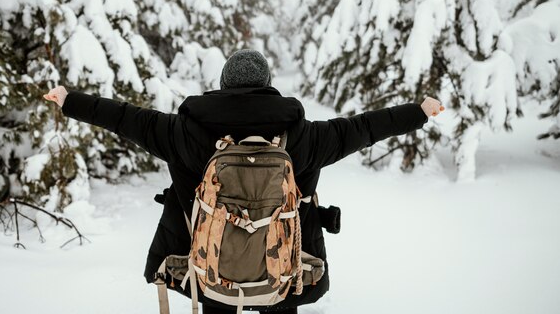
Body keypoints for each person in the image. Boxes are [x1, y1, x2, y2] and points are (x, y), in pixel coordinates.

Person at [44, 49, 445, 313]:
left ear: (224, 85)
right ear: (269, 84)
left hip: (210, 265)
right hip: (284, 266)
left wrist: (71, 100)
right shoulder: (304, 135)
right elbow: (364, 127)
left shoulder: (183, 131)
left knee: (217, 293)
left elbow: (123, 116)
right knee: (282, 294)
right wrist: (418, 112)